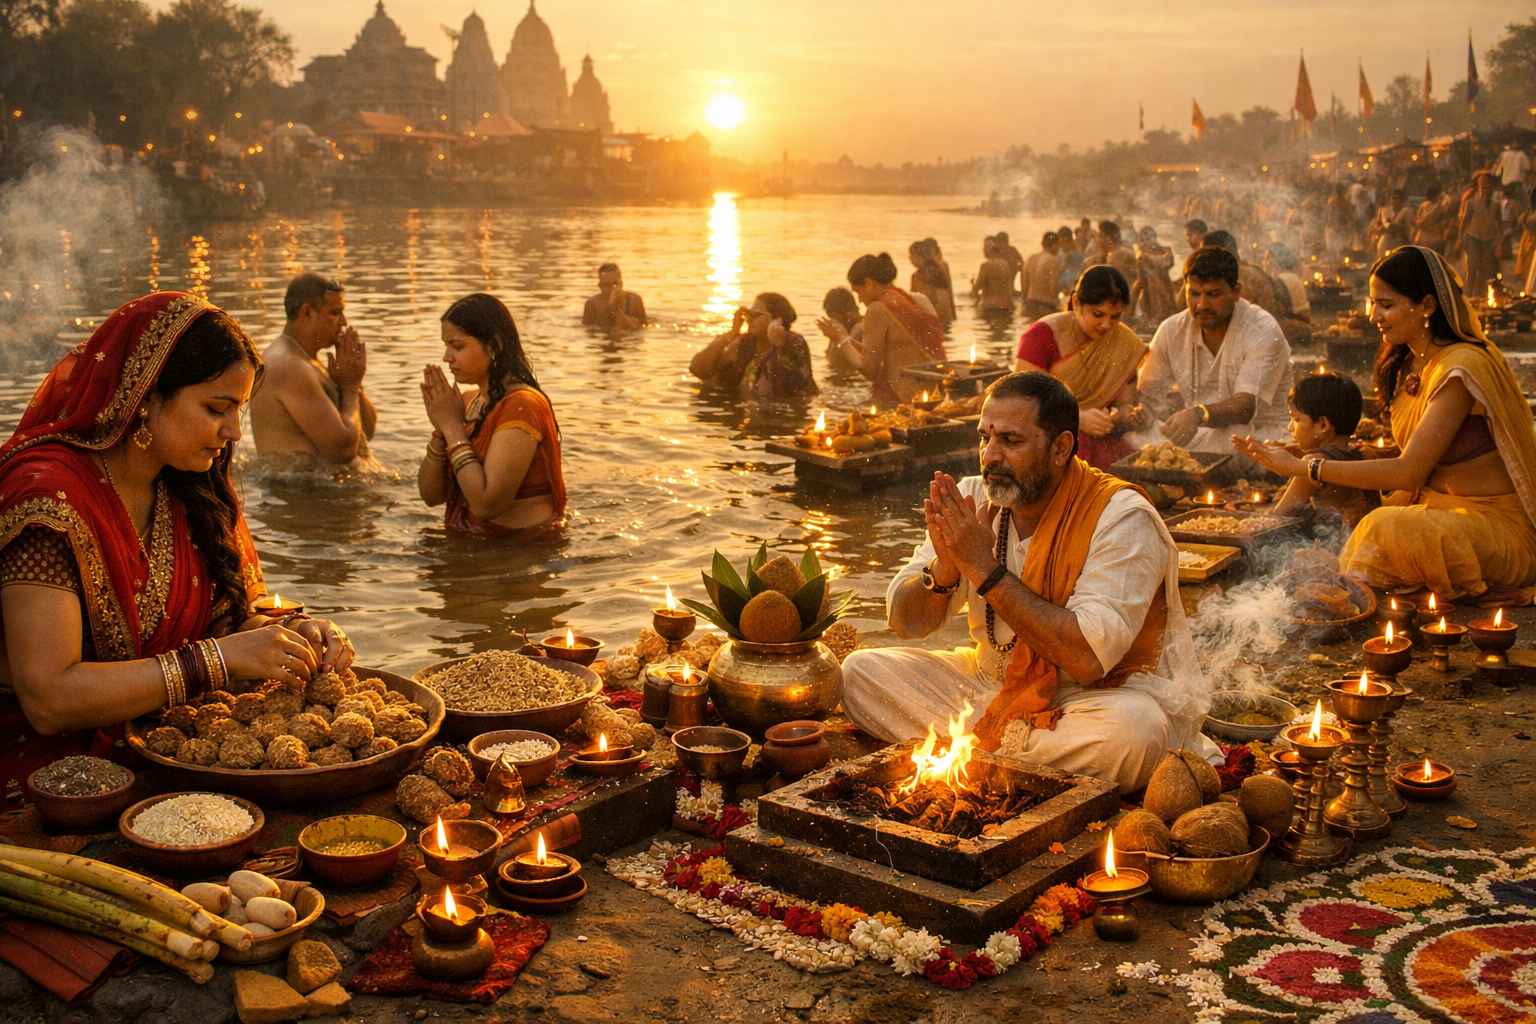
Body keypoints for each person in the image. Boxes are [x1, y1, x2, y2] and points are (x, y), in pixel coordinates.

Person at [0, 292, 355, 792]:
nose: (233, 431)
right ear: (146, 397)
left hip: (174, 744)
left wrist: (295, 636)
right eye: (217, 408)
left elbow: (229, 621)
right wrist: (220, 660)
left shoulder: (189, 486)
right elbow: (48, 698)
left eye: (238, 411)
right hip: (52, 776)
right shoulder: (50, 501)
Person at [839, 372, 1211, 794]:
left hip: (1086, 699)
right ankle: (1006, 760)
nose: (990, 456)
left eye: (1010, 442)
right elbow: (906, 624)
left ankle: (971, 753)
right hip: (989, 683)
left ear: (1061, 448)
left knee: (1135, 733)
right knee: (859, 674)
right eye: (985, 438)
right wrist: (944, 571)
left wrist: (983, 569)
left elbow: (1088, 658)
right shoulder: (973, 498)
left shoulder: (1121, 516)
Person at [1236, 246, 1536, 604]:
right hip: (1428, 508)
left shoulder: (1460, 368)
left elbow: (1408, 472)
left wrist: (1308, 466)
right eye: (1372, 303)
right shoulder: (1410, 362)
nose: (1374, 315)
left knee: (1384, 528)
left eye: (1387, 305)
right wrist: (1318, 454)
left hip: (1491, 527)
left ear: (1427, 305)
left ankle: (1338, 593)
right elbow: (1424, 452)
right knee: (1349, 505)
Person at [418, 293, 567, 534]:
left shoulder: (522, 405)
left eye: (457, 346)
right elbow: (431, 496)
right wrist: (442, 430)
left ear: (494, 346)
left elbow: (487, 505)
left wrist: (453, 428)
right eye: (446, 346)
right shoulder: (467, 403)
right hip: (472, 546)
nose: (447, 358)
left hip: (518, 552)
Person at [1140, 247, 1292, 452]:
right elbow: (1147, 395)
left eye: (1213, 294)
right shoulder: (1171, 330)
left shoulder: (1262, 329)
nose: (1202, 305)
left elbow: (1245, 407)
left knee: (1230, 444)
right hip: (1200, 434)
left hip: (1258, 435)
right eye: (1194, 294)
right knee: (1136, 438)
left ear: (1236, 292)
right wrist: (1134, 414)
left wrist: (1197, 414)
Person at [1014, 266, 1147, 469]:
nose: (1106, 325)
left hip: (1104, 440)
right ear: (1076, 303)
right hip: (1049, 439)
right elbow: (1022, 404)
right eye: (1097, 314)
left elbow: (1126, 404)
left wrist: (1123, 415)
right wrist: (1077, 418)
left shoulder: (1125, 343)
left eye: (1115, 317)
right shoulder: (1041, 336)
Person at [249, 273, 377, 466]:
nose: (344, 322)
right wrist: (349, 387)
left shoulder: (308, 360)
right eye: (335, 313)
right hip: (304, 493)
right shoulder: (288, 366)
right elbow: (342, 451)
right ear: (307, 312)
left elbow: (367, 431)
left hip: (326, 488)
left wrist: (353, 383)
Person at [1270, 373, 1376, 532]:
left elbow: (1278, 517)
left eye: (1296, 419)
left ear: (1323, 425)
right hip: (1361, 538)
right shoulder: (1365, 453)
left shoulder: (1311, 464)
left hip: (1330, 547)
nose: (1290, 427)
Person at [843, 253, 948, 404]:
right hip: (937, 393)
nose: (859, 299)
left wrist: (842, 341)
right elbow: (902, 350)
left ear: (869, 283)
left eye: (858, 291)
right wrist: (850, 341)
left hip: (902, 399)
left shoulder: (877, 309)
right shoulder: (919, 299)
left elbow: (870, 369)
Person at [689, 292, 816, 400]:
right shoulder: (745, 342)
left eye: (756, 315)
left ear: (777, 320)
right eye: (749, 314)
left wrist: (778, 346)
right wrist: (730, 334)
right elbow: (699, 370)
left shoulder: (793, 342)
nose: (749, 319)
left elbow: (789, 387)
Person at [1459, 173, 1501, 294]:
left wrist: (1498, 242)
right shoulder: (1471, 203)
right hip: (1473, 236)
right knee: (1472, 266)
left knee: (1486, 268)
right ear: (1478, 186)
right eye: (1483, 185)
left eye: (1488, 185)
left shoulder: (1495, 205)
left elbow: (1499, 225)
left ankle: (1481, 294)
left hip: (1489, 238)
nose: (1485, 188)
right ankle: (1468, 293)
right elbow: (1464, 221)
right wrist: (1461, 238)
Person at [581, 263, 647, 330]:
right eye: (606, 285)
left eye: (615, 284)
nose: (611, 289)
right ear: (600, 285)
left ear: (621, 283)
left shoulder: (634, 300)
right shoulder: (592, 304)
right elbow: (588, 332)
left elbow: (643, 329)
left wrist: (616, 309)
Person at [1130, 226, 1176, 323]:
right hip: (1149, 299)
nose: (1145, 243)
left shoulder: (1166, 250)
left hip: (1165, 294)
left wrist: (1146, 256)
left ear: (1155, 238)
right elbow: (1140, 282)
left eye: (1148, 239)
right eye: (1142, 240)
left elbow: (1166, 262)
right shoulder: (1141, 258)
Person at [815, 286, 864, 373]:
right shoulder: (844, 327)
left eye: (834, 316)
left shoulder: (860, 327)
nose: (832, 320)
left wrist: (839, 336)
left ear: (847, 312)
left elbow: (842, 356)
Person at [908, 240, 957, 325]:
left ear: (920, 257)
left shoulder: (917, 276)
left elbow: (913, 303)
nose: (909, 258)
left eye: (911, 255)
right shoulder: (939, 270)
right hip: (945, 320)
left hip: (932, 321)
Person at [1021, 233, 1062, 320]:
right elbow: (1053, 289)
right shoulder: (1053, 261)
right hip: (1046, 307)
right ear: (1054, 245)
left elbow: (1024, 287)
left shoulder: (1030, 259)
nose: (1059, 249)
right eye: (1059, 245)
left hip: (1030, 305)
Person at [972, 237, 1015, 314]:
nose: (983, 250)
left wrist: (973, 284)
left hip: (990, 308)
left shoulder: (986, 265)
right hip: (1006, 308)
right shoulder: (1005, 264)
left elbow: (976, 289)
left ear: (990, 249)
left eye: (984, 247)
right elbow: (1009, 289)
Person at [1055, 226, 1083, 293]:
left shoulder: (1070, 253)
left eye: (1060, 240)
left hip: (1070, 279)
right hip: (1072, 278)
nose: (1059, 243)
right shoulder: (1076, 247)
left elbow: (1062, 268)